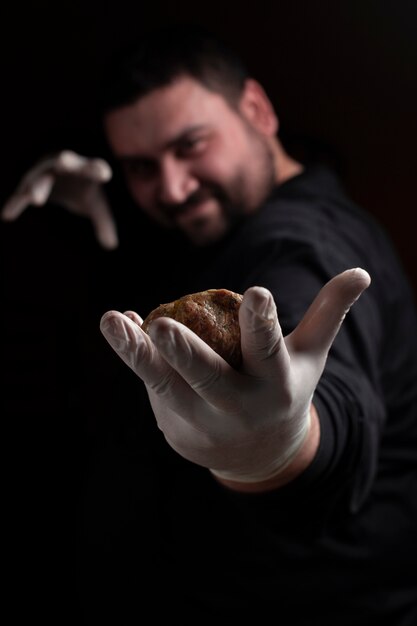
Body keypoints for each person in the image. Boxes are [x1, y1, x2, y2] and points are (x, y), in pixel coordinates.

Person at [2, 24, 417, 626]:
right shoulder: (222, 213)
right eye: (141, 167)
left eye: (191, 145)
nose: (171, 188)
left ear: (257, 109)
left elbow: (332, 393)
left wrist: (279, 451)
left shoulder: (304, 246)